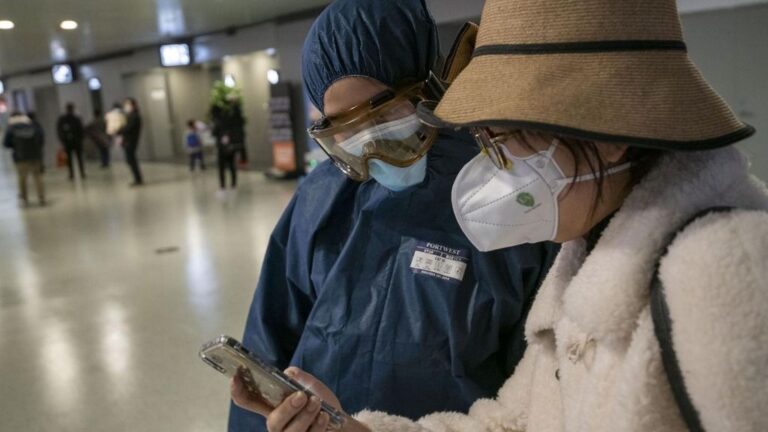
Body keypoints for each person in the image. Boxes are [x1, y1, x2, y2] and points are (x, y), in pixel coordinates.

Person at [236, 0, 768, 431]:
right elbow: (513, 422)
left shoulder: (725, 270)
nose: (497, 170)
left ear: (607, 137)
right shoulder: (582, 262)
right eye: (488, 141)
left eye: (510, 140)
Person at [227, 1, 559, 431]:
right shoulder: (320, 199)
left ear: (426, 85)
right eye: (343, 131)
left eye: (382, 114)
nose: (369, 146)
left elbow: (536, 385)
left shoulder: (505, 197)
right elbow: (269, 338)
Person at [4, 112, 45, 206]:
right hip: (35, 155)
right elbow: (40, 137)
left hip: (20, 157)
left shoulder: (11, 127)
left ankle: (25, 199)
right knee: (38, 176)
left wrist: (15, 146)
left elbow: (6, 143)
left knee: (22, 178)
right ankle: (41, 197)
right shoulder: (32, 124)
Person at [211, 101, 244, 189]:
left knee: (221, 167)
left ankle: (223, 184)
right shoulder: (230, 119)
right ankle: (233, 183)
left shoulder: (217, 121)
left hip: (222, 148)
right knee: (232, 165)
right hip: (231, 147)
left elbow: (214, 133)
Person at [57, 102, 85, 180]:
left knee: (77, 158)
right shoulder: (64, 119)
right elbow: (60, 130)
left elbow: (81, 130)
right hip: (70, 142)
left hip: (74, 142)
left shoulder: (76, 119)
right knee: (71, 159)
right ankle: (74, 173)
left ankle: (77, 173)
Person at [119, 98, 144, 186]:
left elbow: (129, 128)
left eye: (128, 104)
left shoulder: (134, 116)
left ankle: (138, 179)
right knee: (130, 160)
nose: (126, 106)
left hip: (131, 141)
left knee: (131, 160)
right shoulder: (130, 115)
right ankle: (137, 178)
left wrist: (119, 130)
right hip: (128, 140)